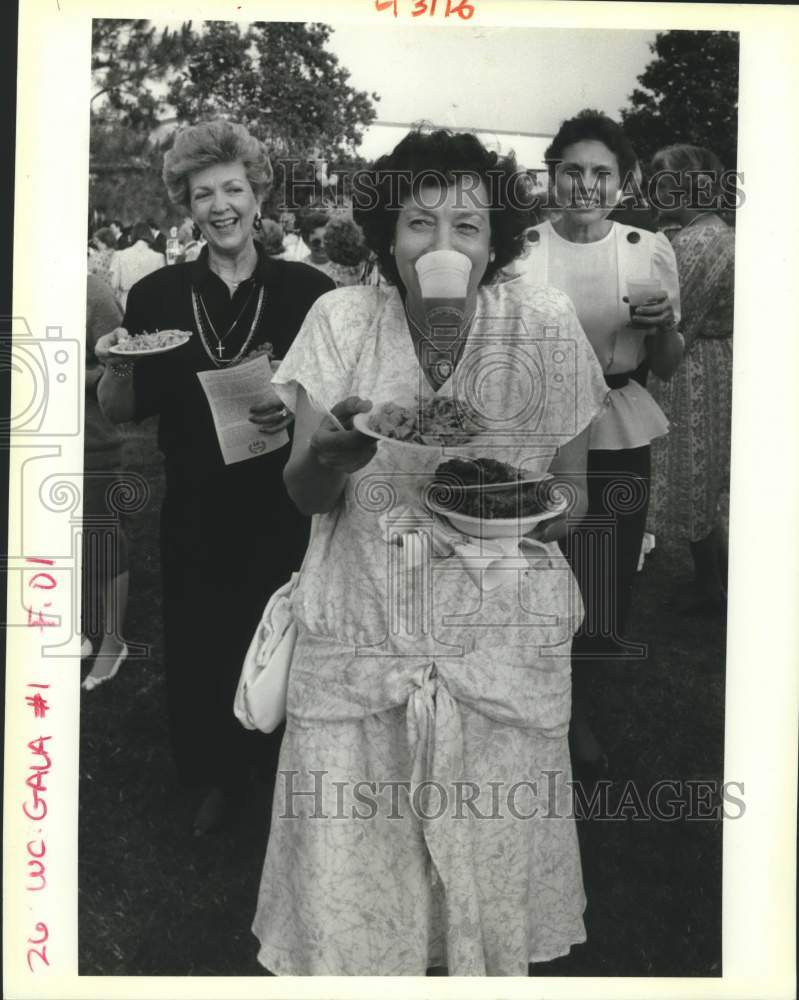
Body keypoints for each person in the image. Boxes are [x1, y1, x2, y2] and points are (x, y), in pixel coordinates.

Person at [252, 129, 608, 975]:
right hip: (366, 615)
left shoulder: (544, 324)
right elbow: (304, 494)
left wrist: (526, 515)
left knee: (491, 828)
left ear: (496, 243)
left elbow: (575, 494)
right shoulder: (339, 320)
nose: (442, 246)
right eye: (419, 224)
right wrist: (332, 455)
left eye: (467, 227)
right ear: (386, 236)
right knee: (359, 842)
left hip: (496, 633)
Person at [94, 120, 335, 835]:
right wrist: (115, 365)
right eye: (204, 194)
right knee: (202, 636)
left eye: (234, 188)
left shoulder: (309, 291)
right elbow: (126, 408)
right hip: (196, 496)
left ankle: (283, 770)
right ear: (187, 205)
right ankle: (218, 777)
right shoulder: (158, 296)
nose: (221, 205)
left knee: (286, 633)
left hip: (286, 497)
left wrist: (290, 406)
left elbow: (333, 397)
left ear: (259, 194)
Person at [512, 113, 683, 774]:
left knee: (603, 577)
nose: (586, 185)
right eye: (573, 171)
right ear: (552, 176)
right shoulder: (522, 247)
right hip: (534, 423)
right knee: (529, 563)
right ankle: (520, 699)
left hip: (615, 424)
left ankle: (577, 711)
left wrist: (665, 324)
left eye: (600, 173)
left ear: (621, 182)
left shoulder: (647, 248)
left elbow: (665, 363)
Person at [647, 144, 734, 615]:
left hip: (690, 367)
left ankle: (709, 588)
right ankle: (715, 581)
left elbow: (680, 323)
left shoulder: (697, 243)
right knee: (705, 484)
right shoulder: (713, 233)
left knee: (695, 480)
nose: (657, 191)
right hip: (711, 360)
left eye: (666, 181)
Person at [81, 274, 130, 689]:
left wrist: (61, 377)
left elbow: (126, 364)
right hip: (33, 440)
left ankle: (113, 642)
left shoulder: (92, 290)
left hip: (91, 439)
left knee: (102, 541)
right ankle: (74, 629)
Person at [109, 221, 166, 310]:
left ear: (132, 235)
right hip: (151, 303)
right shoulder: (159, 257)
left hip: (127, 302)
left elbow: (114, 284)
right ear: (149, 235)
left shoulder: (119, 255)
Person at [298, 209, 333, 276]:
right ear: (306, 242)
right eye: (316, 242)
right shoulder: (301, 269)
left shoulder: (344, 266)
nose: (322, 246)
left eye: (327, 240)